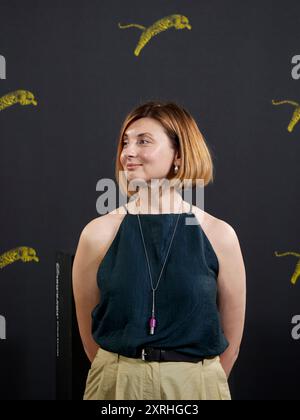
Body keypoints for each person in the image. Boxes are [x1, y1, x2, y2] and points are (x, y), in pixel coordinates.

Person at [72, 100, 246, 400]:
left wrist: (192, 380)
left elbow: (230, 342)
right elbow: (90, 338)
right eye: (125, 142)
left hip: (196, 387)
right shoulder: (98, 234)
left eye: (144, 141)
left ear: (178, 153)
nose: (128, 152)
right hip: (116, 386)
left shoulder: (219, 235)